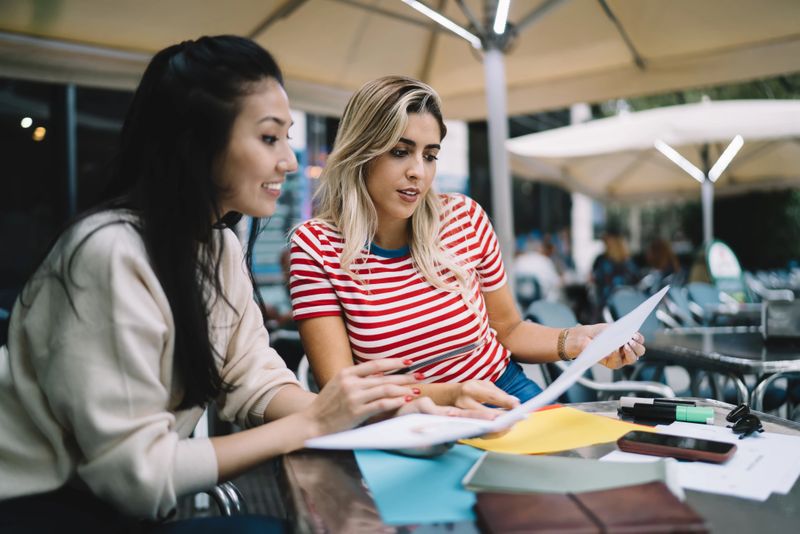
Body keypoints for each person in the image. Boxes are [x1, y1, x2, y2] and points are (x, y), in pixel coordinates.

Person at [0, 37, 481, 533]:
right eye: (270, 138)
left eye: (286, 138)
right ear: (199, 142)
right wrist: (314, 423)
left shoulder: (216, 248)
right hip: (33, 509)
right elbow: (136, 474)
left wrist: (379, 417)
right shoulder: (108, 252)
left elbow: (254, 379)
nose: (290, 162)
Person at [289, 76, 646, 412]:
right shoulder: (316, 248)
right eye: (400, 151)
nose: (419, 171)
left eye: (430, 155)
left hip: (506, 397)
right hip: (405, 425)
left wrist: (579, 339)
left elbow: (509, 330)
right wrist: (451, 394)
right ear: (361, 153)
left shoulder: (464, 218)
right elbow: (342, 392)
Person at [591, 231, 640, 317]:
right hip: (628, 306)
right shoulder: (628, 262)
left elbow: (593, 278)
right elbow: (636, 282)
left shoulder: (602, 260)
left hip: (607, 306)